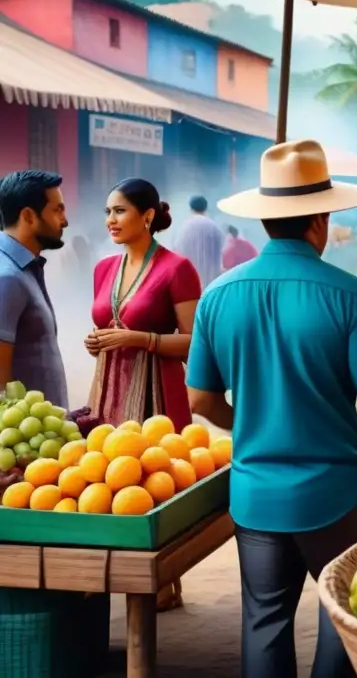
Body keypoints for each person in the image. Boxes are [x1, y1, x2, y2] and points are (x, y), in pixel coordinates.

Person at [185, 140, 357, 678]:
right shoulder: (350, 295)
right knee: (343, 616)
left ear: (266, 220)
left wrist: (253, 423)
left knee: (263, 620)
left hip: (255, 492)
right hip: (336, 492)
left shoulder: (217, 295)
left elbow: (200, 399)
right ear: (321, 220)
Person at [84, 178, 201, 613]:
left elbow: (196, 341)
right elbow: (106, 326)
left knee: (157, 483)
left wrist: (142, 339)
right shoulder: (103, 268)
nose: (110, 220)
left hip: (159, 391)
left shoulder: (177, 268)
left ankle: (166, 581)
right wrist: (97, 342)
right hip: (110, 389)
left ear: (147, 216)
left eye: (119, 211)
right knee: (109, 480)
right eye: (107, 212)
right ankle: (120, 577)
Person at [0, 170, 69, 406]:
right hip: (25, 438)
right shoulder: (7, 277)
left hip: (44, 435)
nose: (65, 220)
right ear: (29, 216)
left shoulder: (24, 268)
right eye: (57, 209)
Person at [175, 195, 224, 290]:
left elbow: (177, 252)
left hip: (191, 283)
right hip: (213, 283)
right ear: (205, 208)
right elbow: (222, 249)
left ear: (191, 208)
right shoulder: (214, 227)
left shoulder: (184, 228)